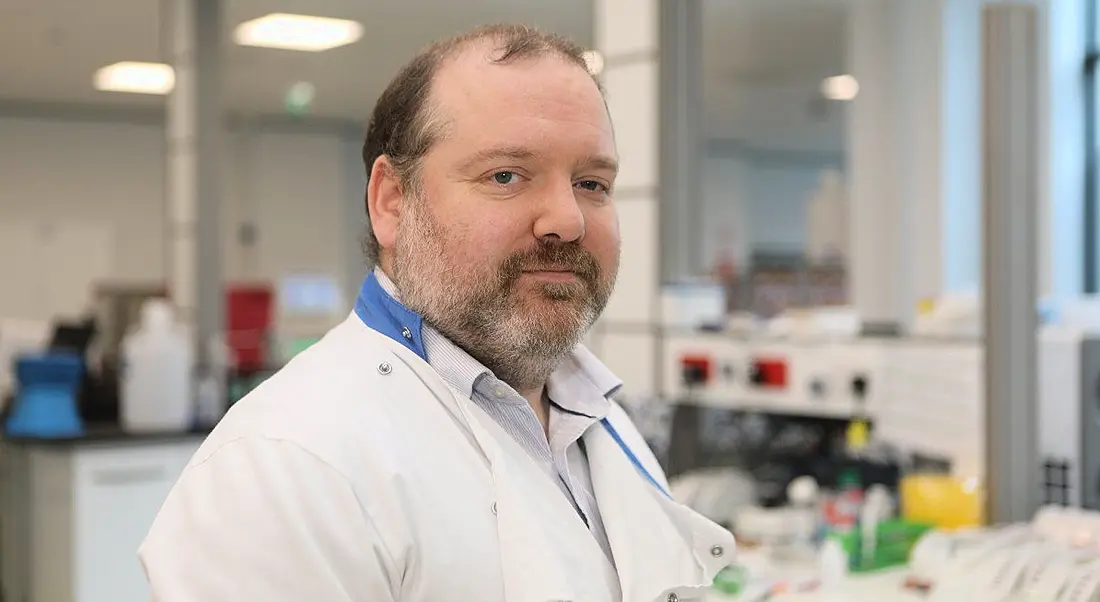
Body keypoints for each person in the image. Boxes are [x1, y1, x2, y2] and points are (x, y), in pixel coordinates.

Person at [139, 23, 734, 602]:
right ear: (392, 203)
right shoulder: (285, 465)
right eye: (506, 175)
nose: (568, 219)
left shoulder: (593, 416)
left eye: (592, 183)